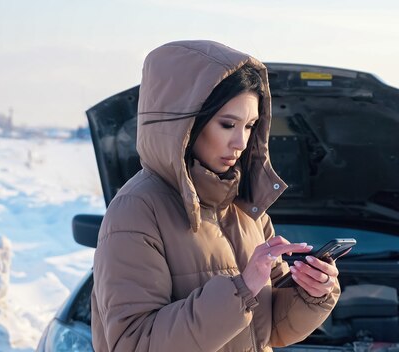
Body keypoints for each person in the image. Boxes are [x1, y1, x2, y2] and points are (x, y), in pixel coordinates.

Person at [91, 40, 340, 352]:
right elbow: (135, 342)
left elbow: (271, 329)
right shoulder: (137, 209)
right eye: (227, 124)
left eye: (250, 126)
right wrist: (241, 290)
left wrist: (312, 291)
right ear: (185, 123)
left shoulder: (246, 209)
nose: (240, 142)